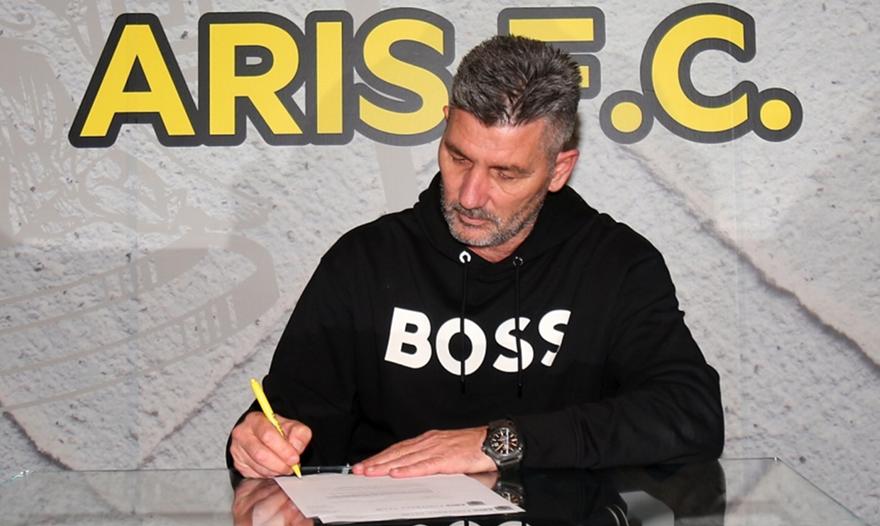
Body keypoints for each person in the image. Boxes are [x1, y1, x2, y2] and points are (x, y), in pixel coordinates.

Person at [227, 35, 724, 479]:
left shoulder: (614, 265)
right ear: (446, 126)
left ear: (559, 169)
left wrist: (499, 444)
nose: (469, 195)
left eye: (506, 173)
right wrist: (259, 444)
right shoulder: (364, 262)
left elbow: (690, 415)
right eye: (458, 157)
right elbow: (289, 423)